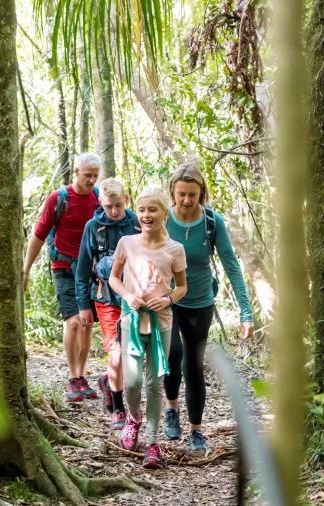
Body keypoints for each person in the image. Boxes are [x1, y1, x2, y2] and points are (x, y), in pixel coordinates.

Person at [163, 161, 254, 456]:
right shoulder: (162, 220)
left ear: (201, 193)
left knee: (193, 366)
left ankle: (197, 432)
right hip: (168, 300)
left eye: (192, 194)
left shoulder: (212, 222)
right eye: (181, 194)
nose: (187, 200)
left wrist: (245, 311)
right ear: (172, 193)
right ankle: (172, 407)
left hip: (201, 302)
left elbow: (231, 266)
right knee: (172, 354)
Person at [109, 187, 187, 469]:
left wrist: (166, 300)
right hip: (131, 321)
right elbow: (113, 279)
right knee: (132, 382)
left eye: (152, 210)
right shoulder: (126, 243)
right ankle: (133, 419)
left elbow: (182, 287)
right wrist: (127, 296)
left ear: (165, 214)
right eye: (141, 210)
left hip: (161, 324)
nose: (146, 215)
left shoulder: (174, 249)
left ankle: (152, 443)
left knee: (155, 383)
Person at [23, 153, 101, 402]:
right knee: (74, 322)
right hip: (64, 268)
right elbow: (38, 235)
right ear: (76, 172)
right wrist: (25, 270)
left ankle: (81, 375)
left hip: (90, 270)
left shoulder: (99, 199)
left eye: (95, 176)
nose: (91, 180)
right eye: (87, 175)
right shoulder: (58, 199)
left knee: (87, 323)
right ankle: (72, 377)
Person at [75, 178, 140, 430]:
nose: (113, 211)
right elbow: (82, 270)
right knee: (116, 353)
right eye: (108, 206)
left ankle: (108, 383)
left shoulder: (136, 223)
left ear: (126, 199)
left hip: (134, 299)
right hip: (105, 300)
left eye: (118, 205)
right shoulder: (93, 227)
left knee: (132, 355)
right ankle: (118, 409)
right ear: (100, 203)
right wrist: (83, 305)